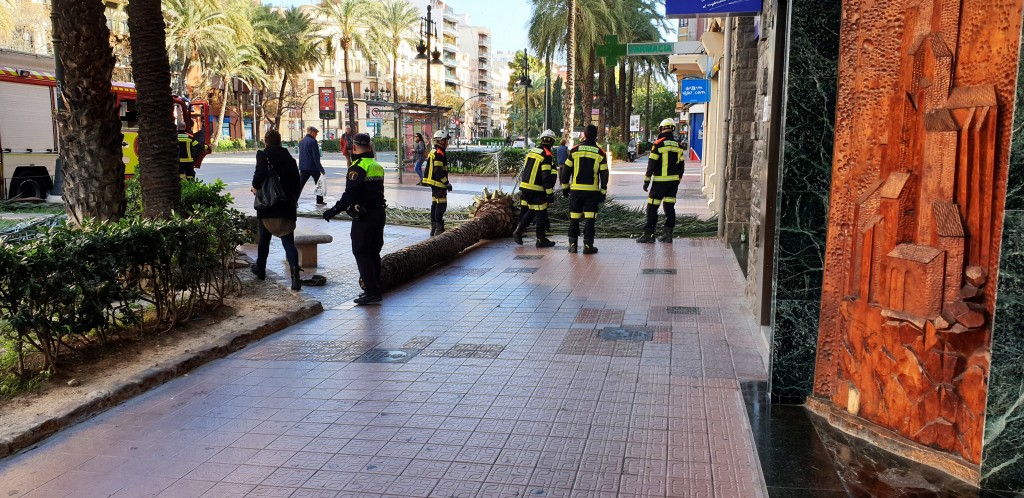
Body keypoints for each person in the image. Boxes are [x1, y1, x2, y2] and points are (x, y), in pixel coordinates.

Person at [322, 133, 387, 305]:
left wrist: (333, 211)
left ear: (355, 148)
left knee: (361, 251)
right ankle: (376, 287)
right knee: (373, 252)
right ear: (370, 147)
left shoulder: (357, 167)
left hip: (365, 216)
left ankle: (371, 291)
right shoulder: (376, 165)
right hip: (379, 213)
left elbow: (350, 195)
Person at [250, 129, 303, 291]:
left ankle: (260, 269)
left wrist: (255, 187)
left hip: (268, 204)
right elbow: (297, 182)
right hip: (287, 205)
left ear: (266, 141)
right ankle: (295, 277)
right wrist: (292, 199)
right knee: (288, 242)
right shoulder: (290, 159)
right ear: (280, 142)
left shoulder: (264, 155)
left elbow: (259, 175)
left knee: (264, 241)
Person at [560, 124, 608, 255]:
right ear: (596, 136)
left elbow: (565, 171)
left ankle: (573, 245)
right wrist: (603, 192)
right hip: (592, 192)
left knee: (574, 218)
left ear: (584, 135)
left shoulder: (575, 150)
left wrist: (565, 187)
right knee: (590, 218)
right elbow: (604, 174)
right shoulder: (600, 152)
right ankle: (588, 246)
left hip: (576, 190)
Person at [638, 118, 686, 243]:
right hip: (673, 182)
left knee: (652, 206)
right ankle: (668, 234)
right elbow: (681, 166)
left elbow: (651, 164)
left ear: (661, 128)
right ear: (673, 128)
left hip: (660, 182)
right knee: (669, 207)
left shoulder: (658, 143)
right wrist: (678, 180)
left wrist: (646, 181)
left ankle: (649, 234)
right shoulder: (678, 145)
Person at [513, 129, 558, 248]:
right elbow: (545, 176)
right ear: (552, 142)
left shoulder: (532, 151)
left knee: (532, 211)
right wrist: (550, 193)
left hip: (525, 186)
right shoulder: (547, 155)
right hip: (536, 188)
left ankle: (524, 232)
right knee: (541, 213)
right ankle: (538, 238)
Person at [423, 130, 453, 236]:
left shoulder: (434, 150)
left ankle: (434, 227)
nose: (447, 143)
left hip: (434, 183)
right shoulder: (439, 152)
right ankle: (438, 229)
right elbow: (438, 170)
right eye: (446, 140)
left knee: (435, 204)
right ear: (441, 141)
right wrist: (447, 183)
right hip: (439, 183)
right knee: (441, 205)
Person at [298, 126, 327, 205]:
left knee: (300, 185)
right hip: (313, 167)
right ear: (311, 132)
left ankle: (294, 201)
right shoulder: (313, 142)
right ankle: (319, 201)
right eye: (315, 133)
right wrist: (321, 169)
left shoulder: (301, 141)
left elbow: (301, 155)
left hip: (303, 167)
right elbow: (316, 157)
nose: (316, 135)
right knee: (319, 184)